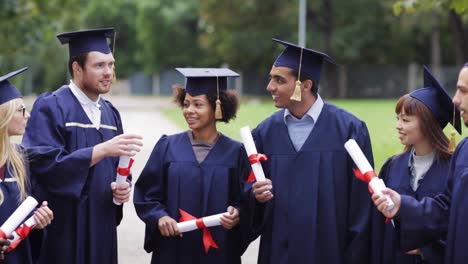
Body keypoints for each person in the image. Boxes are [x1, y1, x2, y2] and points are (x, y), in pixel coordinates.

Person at [22, 28, 143, 264]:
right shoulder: (52, 106)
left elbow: (118, 167)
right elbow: (44, 166)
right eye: (99, 66)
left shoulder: (110, 113)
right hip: (64, 230)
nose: (109, 72)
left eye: (111, 64)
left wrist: (122, 188)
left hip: (102, 225)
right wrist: (101, 150)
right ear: (77, 68)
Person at [248, 38, 374, 264]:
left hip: (331, 251)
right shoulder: (265, 133)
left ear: (304, 85)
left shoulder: (349, 130)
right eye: (271, 79)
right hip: (279, 252)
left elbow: (362, 207)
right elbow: (250, 197)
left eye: (279, 80)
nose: (270, 87)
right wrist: (254, 195)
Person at [134, 68, 250, 264]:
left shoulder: (236, 152)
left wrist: (238, 213)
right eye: (186, 104)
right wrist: (159, 217)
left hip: (219, 250)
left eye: (198, 104)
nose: (189, 110)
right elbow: (147, 193)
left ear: (217, 107)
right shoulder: (167, 146)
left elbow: (247, 198)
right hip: (173, 249)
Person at [373, 63, 468, 264]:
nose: (398, 126)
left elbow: (453, 223)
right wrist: (401, 205)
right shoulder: (392, 167)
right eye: (397, 119)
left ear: (427, 124)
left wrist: (429, 250)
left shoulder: (455, 166)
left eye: (406, 120)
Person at [0, 67, 54, 264]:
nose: (28, 115)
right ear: (2, 116)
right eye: (21, 109)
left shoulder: (20, 159)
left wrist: (37, 222)